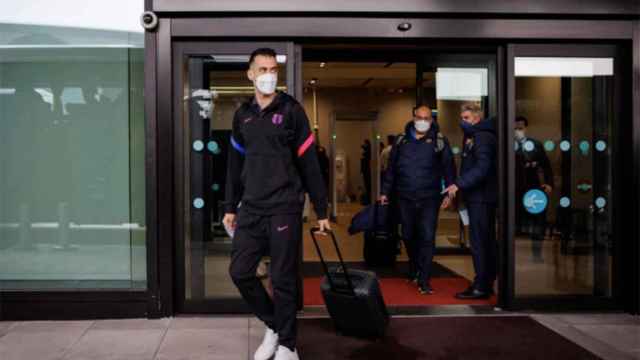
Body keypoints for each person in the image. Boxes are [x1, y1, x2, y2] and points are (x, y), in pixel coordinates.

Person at [223, 48, 330, 360]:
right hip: (252, 208)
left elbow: (310, 163)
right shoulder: (242, 114)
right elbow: (233, 164)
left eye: (273, 69)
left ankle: (288, 346)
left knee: (283, 279)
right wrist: (230, 206)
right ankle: (274, 324)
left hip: (285, 206)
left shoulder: (292, 110)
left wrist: (321, 209)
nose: (269, 75)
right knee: (240, 271)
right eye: (263, 69)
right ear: (251, 74)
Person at [379, 105, 456, 294]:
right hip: (404, 196)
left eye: (427, 118)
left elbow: (449, 169)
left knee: (427, 236)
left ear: (431, 120)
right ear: (413, 118)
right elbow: (392, 169)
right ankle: (414, 266)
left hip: (430, 197)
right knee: (407, 234)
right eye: (419, 117)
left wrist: (449, 193)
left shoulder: (439, 141)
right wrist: (384, 192)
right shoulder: (401, 140)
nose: (422, 121)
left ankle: (424, 279)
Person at [443, 102, 497, 300]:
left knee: (480, 242)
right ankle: (486, 281)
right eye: (462, 118)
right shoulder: (474, 136)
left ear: (477, 118)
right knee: (484, 240)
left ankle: (481, 285)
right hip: (477, 197)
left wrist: (459, 184)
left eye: (466, 118)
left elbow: (482, 168)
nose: (462, 122)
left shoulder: (482, 137)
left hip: (481, 198)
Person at [515, 116, 553, 263]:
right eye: (515, 128)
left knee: (538, 221)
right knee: (515, 222)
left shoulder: (535, 145)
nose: (518, 131)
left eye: (520, 128)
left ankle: (537, 254)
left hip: (533, 188)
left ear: (526, 128)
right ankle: (511, 258)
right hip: (514, 189)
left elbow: (546, 166)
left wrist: (549, 183)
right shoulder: (506, 144)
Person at [360, 139, 372, 205]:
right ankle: (368, 200)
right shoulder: (367, 151)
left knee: (368, 186)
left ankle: (369, 200)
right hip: (366, 170)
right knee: (367, 186)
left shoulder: (367, 152)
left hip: (366, 171)